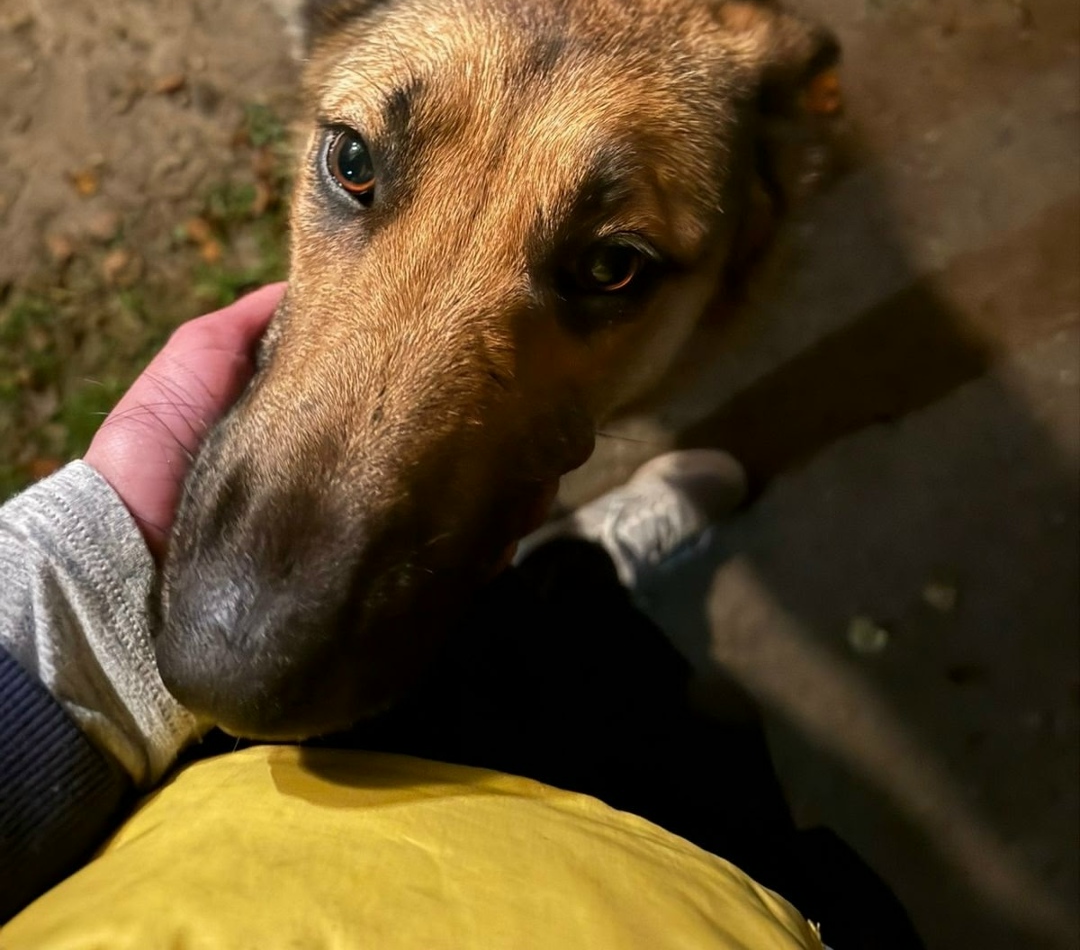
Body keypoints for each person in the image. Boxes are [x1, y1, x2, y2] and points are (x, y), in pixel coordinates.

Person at [0, 287, 922, 947]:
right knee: (674, 735)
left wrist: (88, 619)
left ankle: (581, 568)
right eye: (353, 167)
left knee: (564, 630)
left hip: (232, 816)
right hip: (704, 894)